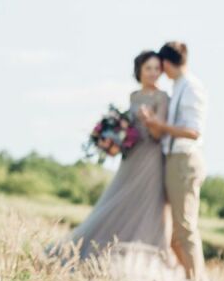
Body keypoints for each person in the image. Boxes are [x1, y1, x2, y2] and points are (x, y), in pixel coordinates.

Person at [55, 51, 174, 266]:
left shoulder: (162, 97)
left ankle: (136, 259)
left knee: (145, 205)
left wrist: (149, 121)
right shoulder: (134, 96)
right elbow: (128, 129)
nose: (153, 73)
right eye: (149, 68)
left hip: (151, 158)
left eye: (157, 69)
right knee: (116, 200)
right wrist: (112, 139)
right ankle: (96, 252)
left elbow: (158, 135)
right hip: (131, 156)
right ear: (139, 70)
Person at [141, 41, 208, 281]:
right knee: (174, 234)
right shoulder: (179, 86)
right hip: (173, 161)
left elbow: (193, 132)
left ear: (167, 64)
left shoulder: (191, 87)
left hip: (184, 161)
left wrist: (160, 127)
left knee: (185, 229)